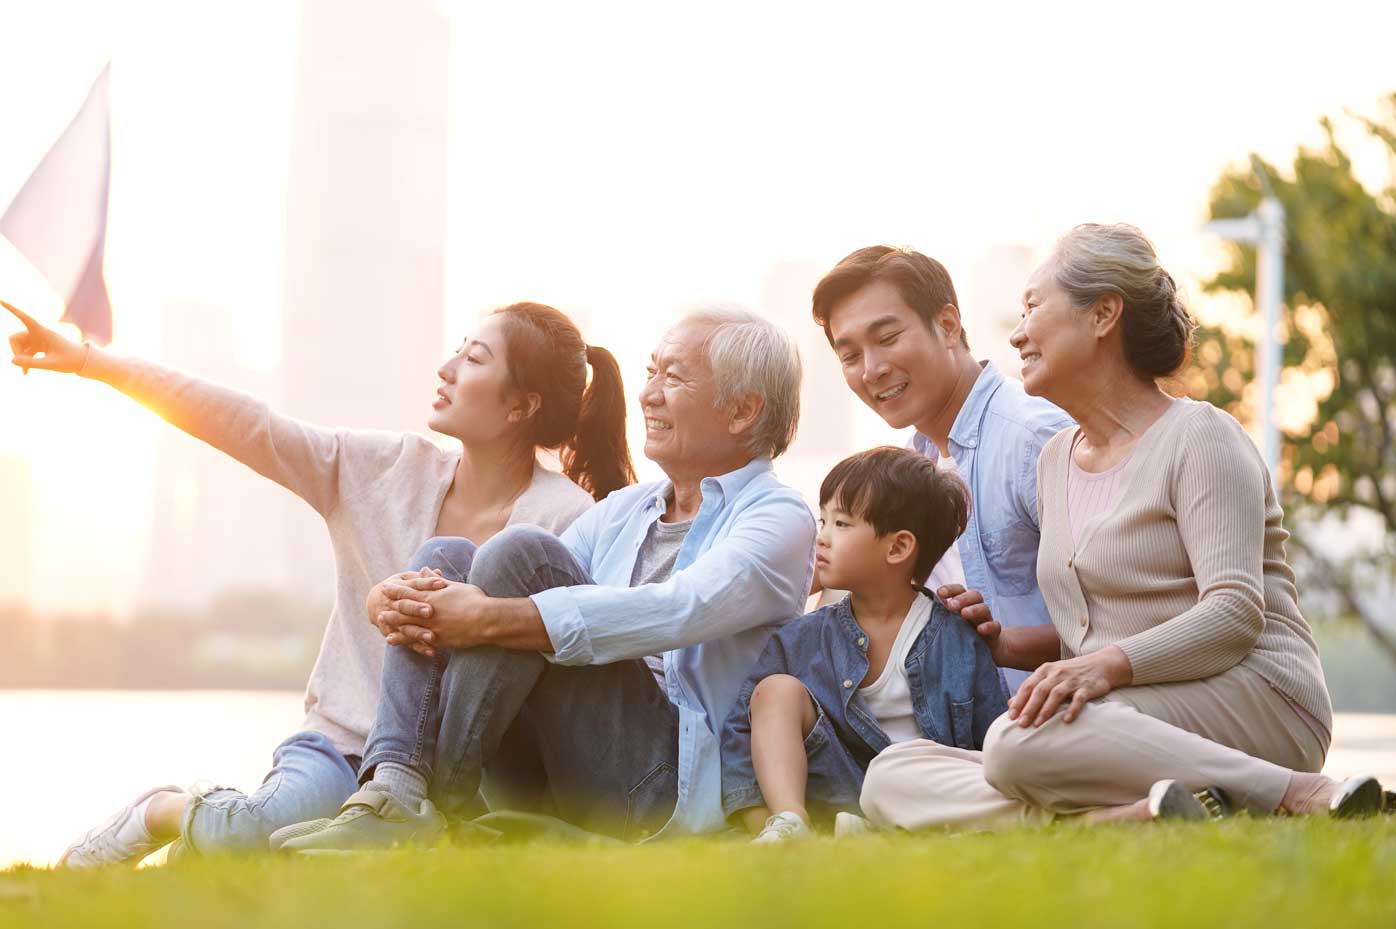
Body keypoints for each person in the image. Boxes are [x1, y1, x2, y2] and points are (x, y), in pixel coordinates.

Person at [5, 299, 631, 864]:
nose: (446, 369)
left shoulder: (566, 521)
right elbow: (246, 424)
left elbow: (582, 664)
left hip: (469, 770)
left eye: (472, 359)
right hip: (340, 744)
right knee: (261, 833)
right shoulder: (379, 469)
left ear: (522, 405)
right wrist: (92, 363)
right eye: (456, 351)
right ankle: (163, 810)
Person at [857, 224, 1385, 830]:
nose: (1017, 332)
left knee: (1016, 744)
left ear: (1104, 313)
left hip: (1255, 694)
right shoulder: (1056, 460)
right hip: (1129, 712)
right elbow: (1091, 636)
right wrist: (1005, 645)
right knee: (891, 776)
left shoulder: (1201, 437)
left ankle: (1296, 789)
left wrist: (1100, 669)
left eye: (1034, 306)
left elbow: (1235, 613)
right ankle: (1133, 815)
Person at [275, 304, 817, 851]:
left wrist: (490, 618)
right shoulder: (627, 510)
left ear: (743, 410)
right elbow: (494, 581)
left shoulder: (779, 518)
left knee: (520, 554)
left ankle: (422, 802)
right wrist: (391, 598)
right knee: (449, 556)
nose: (648, 393)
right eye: (650, 372)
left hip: (660, 785)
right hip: (557, 766)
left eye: (672, 377)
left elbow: (681, 608)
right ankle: (396, 784)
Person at [812, 247, 1073, 691]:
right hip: (957, 732)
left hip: (1050, 721)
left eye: (888, 338)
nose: (872, 370)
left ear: (948, 326)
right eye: (850, 356)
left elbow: (1119, 623)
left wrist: (1004, 643)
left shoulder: (1034, 437)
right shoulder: (908, 468)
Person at [719, 447, 1008, 843]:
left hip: (926, 791)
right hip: (840, 795)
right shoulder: (803, 639)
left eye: (841, 523)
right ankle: (790, 824)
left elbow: (994, 742)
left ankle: (905, 832)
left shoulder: (957, 636)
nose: (821, 537)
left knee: (939, 773)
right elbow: (739, 733)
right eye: (823, 520)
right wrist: (761, 819)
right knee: (775, 690)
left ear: (897, 548)